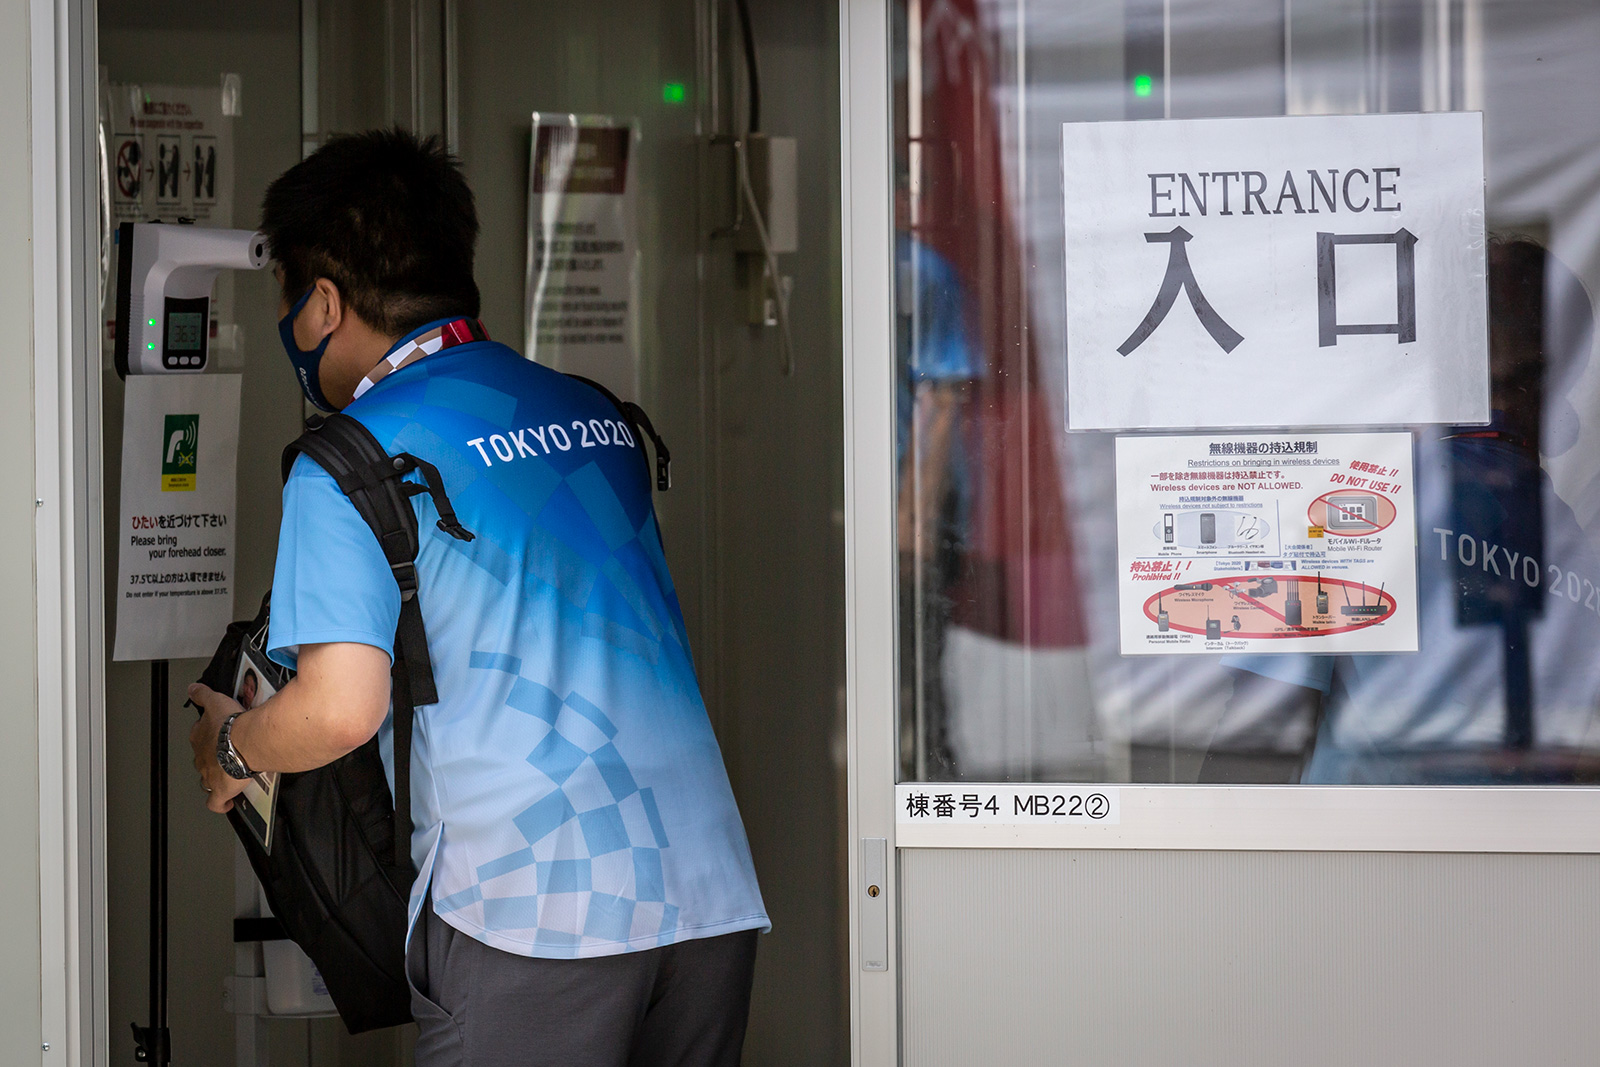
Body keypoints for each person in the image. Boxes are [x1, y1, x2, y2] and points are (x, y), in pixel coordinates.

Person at [187, 129, 768, 1066]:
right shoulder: (593, 413)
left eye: (291, 302)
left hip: (532, 910)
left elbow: (340, 708)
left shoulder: (350, 458)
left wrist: (232, 748)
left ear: (324, 302)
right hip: (705, 893)